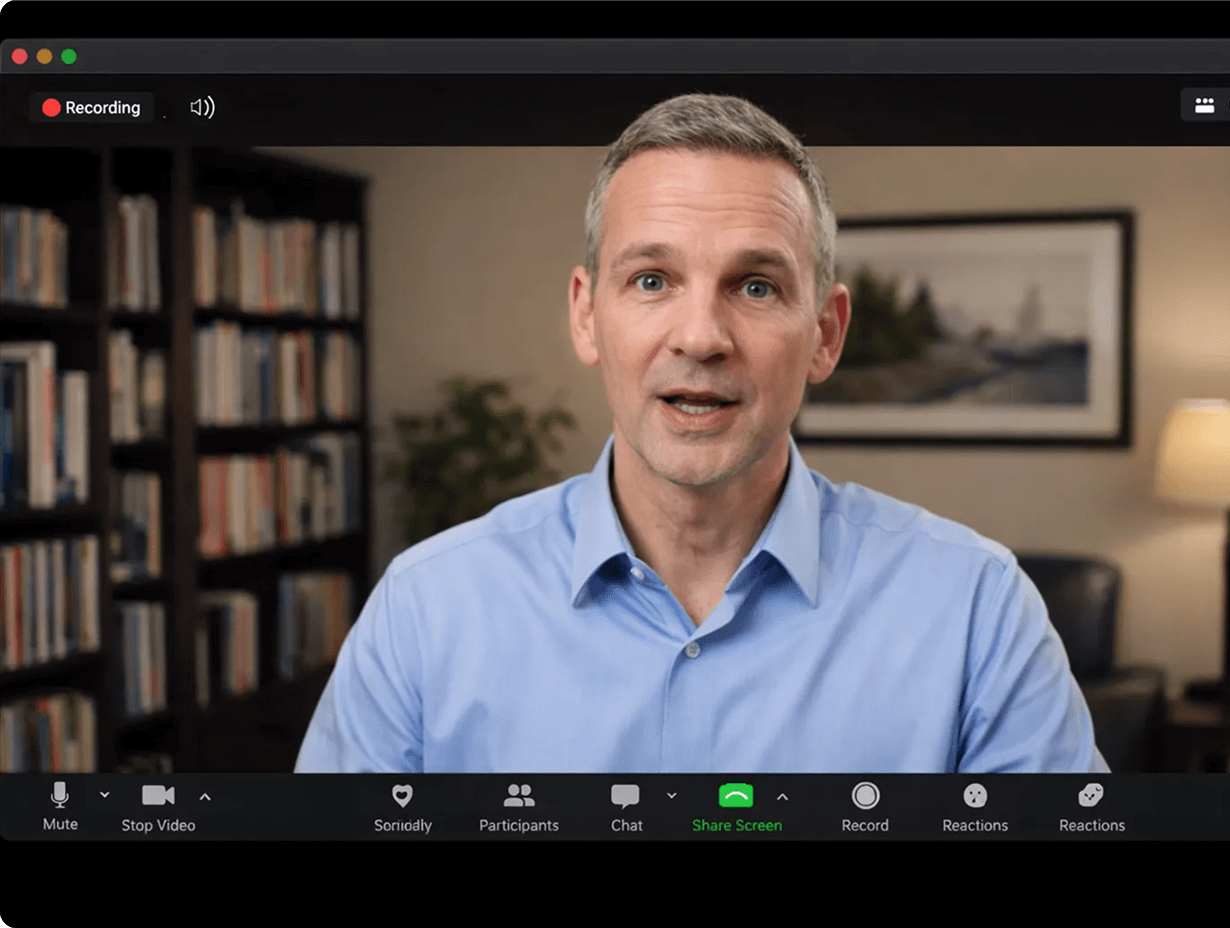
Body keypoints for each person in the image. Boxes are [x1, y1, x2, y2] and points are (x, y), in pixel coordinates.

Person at [296, 93, 1109, 774]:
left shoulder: (976, 610)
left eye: (755, 286)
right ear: (587, 314)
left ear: (826, 334)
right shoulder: (426, 608)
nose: (700, 336)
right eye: (651, 280)